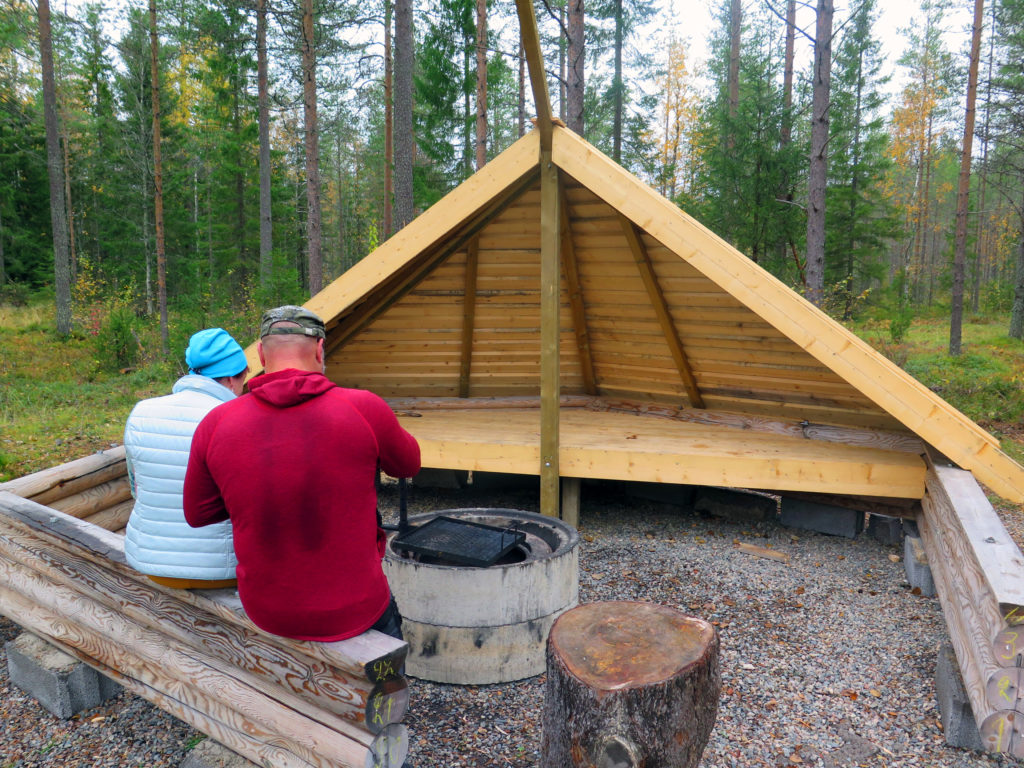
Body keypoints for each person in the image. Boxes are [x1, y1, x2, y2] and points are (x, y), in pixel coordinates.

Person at [182, 305, 421, 642]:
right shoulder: (364, 407)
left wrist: (253, 493)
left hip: (267, 610)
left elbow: (197, 514)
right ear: (320, 349)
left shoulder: (216, 422)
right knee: (388, 675)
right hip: (356, 607)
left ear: (262, 354)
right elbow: (408, 464)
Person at [123, 327, 249, 589]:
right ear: (230, 379)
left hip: (150, 562)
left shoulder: (142, 412)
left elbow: (136, 488)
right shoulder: (239, 419)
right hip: (221, 570)